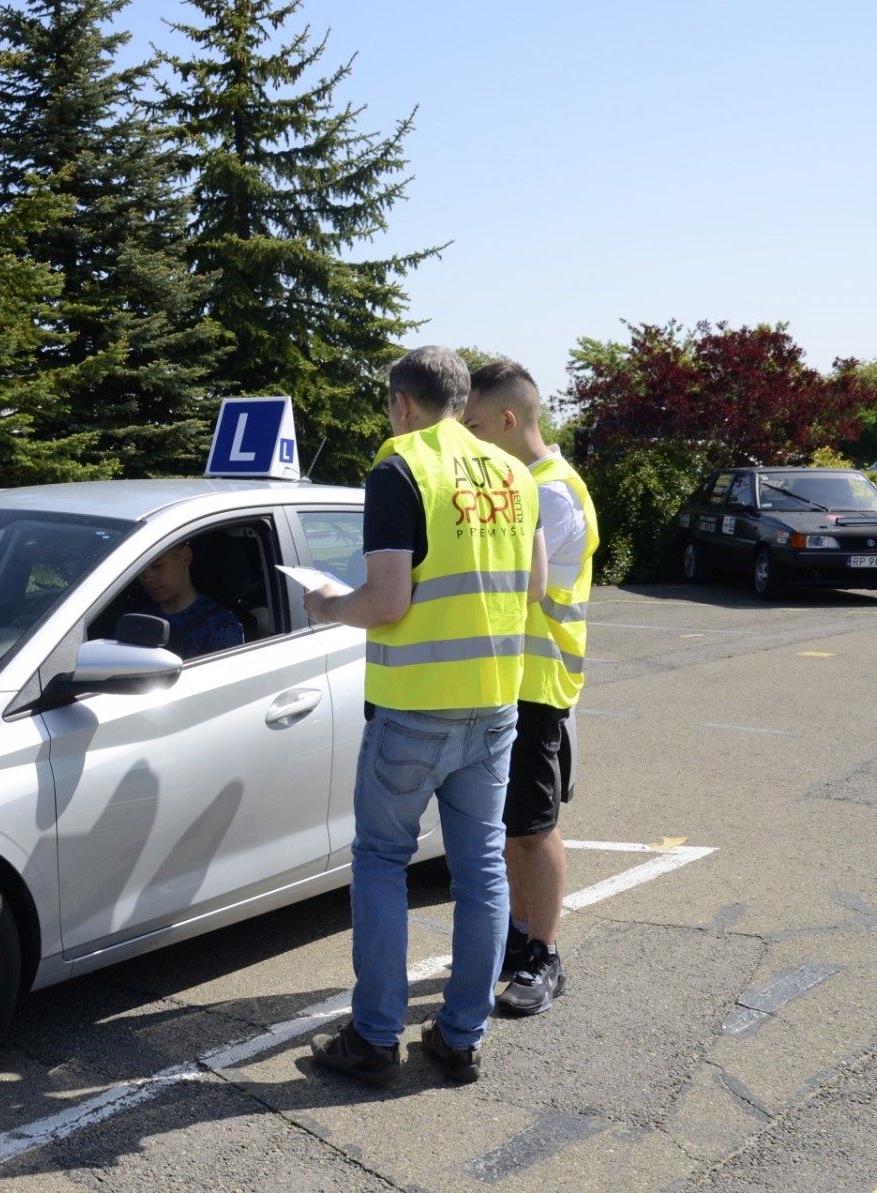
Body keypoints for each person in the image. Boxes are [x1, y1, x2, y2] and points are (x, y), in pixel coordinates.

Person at [304, 346, 546, 1087]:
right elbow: (534, 588)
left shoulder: (401, 467)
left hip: (413, 709)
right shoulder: (514, 472)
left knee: (381, 861)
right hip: (494, 705)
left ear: (402, 404)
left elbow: (386, 603)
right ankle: (461, 1036)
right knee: (481, 870)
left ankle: (376, 1038)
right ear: (462, 400)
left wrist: (327, 604)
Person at [462, 360, 599, 1017]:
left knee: (533, 827)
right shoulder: (531, 484)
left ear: (508, 420)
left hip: (537, 682)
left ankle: (545, 954)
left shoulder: (548, 492)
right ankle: (520, 937)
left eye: (474, 425)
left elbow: (518, 586)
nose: (469, 438)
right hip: (514, 678)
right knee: (514, 826)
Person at [138, 541, 244, 659]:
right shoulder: (137, 620)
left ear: (185, 556)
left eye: (157, 565)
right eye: (140, 570)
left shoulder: (219, 626)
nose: (147, 578)